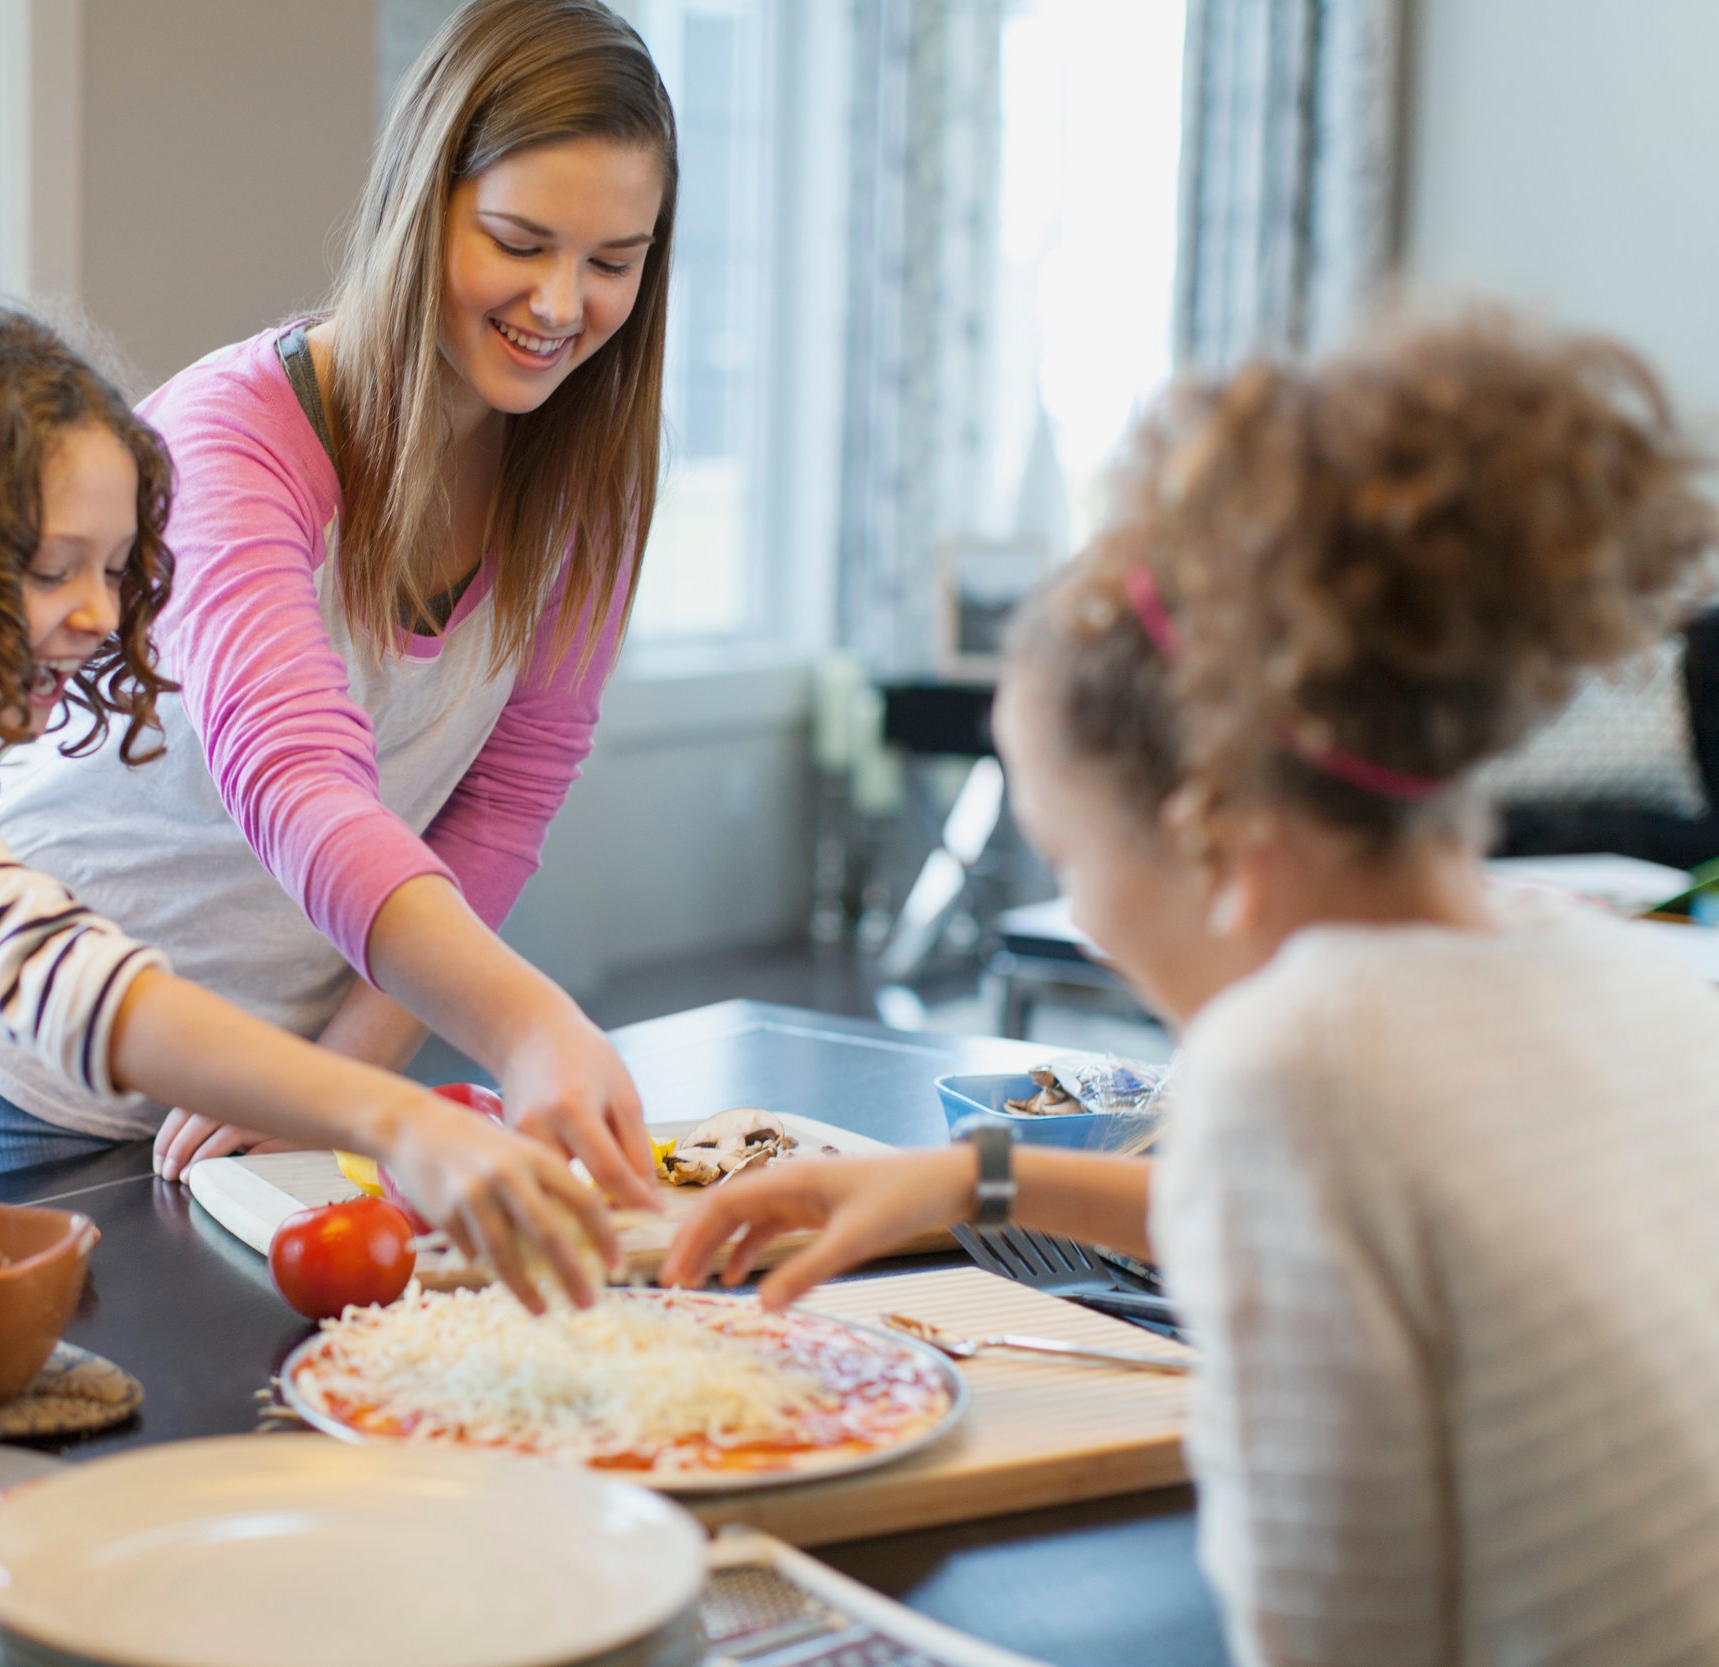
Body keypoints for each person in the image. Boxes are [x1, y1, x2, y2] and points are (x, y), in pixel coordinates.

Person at [667, 314, 1719, 1666]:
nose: (1084, 915)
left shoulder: (1296, 1061)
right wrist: (964, 1181)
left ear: (1206, 821)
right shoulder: (1619, 964)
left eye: (1067, 852)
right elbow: (1355, 1215)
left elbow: (1335, 1630)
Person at [0, 291, 618, 1312]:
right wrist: (398, 1120)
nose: (100, 613)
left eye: (113, 566)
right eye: (55, 570)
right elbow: (79, 986)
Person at [0, 0, 676, 1203]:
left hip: (293, 1079)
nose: (561, 305)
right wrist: (523, 1026)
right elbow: (295, 777)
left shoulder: (582, 484)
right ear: (422, 202)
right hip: (57, 1065)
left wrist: (328, 1078)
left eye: (611, 263)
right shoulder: (228, 439)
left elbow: (502, 802)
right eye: (518, 240)